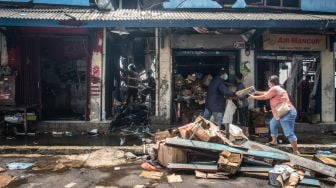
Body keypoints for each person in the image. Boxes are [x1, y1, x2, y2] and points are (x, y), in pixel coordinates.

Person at [249, 75, 300, 155]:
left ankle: (296, 151)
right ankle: (274, 141)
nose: (268, 83)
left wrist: (253, 97)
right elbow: (267, 93)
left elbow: (264, 97)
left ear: (271, 82)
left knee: (288, 132)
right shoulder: (277, 88)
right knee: (273, 123)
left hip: (286, 113)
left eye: (268, 82)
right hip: (282, 112)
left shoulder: (275, 88)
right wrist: (256, 92)